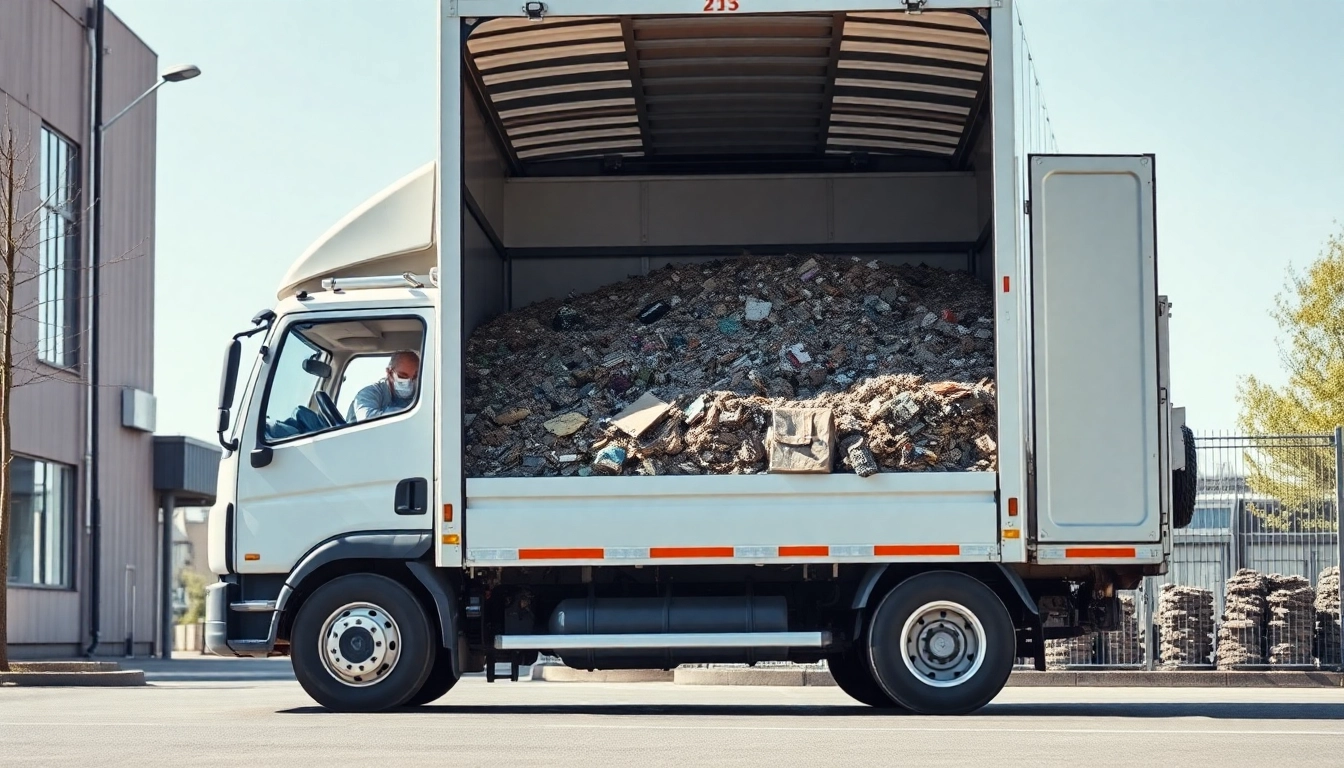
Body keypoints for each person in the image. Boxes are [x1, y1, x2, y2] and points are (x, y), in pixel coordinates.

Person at [346, 350, 420, 423]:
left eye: (414, 377)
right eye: (403, 376)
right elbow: (367, 420)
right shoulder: (368, 394)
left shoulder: (418, 396)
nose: (409, 382)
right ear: (389, 373)